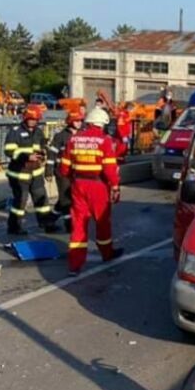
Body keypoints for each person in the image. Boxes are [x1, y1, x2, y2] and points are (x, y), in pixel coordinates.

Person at [59, 107, 124, 274]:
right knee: (102, 222)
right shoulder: (104, 141)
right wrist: (115, 186)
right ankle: (107, 254)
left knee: (78, 224)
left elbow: (64, 167)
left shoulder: (74, 139)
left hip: (78, 184)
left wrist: (73, 178)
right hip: (98, 185)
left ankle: (75, 265)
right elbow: (109, 168)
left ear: (88, 122)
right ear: (102, 124)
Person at [4, 105, 57, 236]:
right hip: (19, 173)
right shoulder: (15, 132)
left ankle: (47, 224)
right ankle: (14, 227)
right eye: (30, 119)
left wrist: (43, 152)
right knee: (20, 201)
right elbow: (9, 151)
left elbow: (41, 146)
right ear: (25, 118)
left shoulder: (38, 132)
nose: (33, 121)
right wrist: (27, 157)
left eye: (35, 119)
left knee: (41, 199)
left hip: (36, 172)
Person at [46, 111, 84, 230]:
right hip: (62, 172)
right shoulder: (60, 136)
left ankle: (49, 220)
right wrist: (48, 171)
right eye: (76, 121)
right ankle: (69, 224)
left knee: (66, 198)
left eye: (80, 121)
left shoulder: (83, 134)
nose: (79, 123)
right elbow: (52, 154)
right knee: (65, 199)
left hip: (76, 172)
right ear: (70, 122)